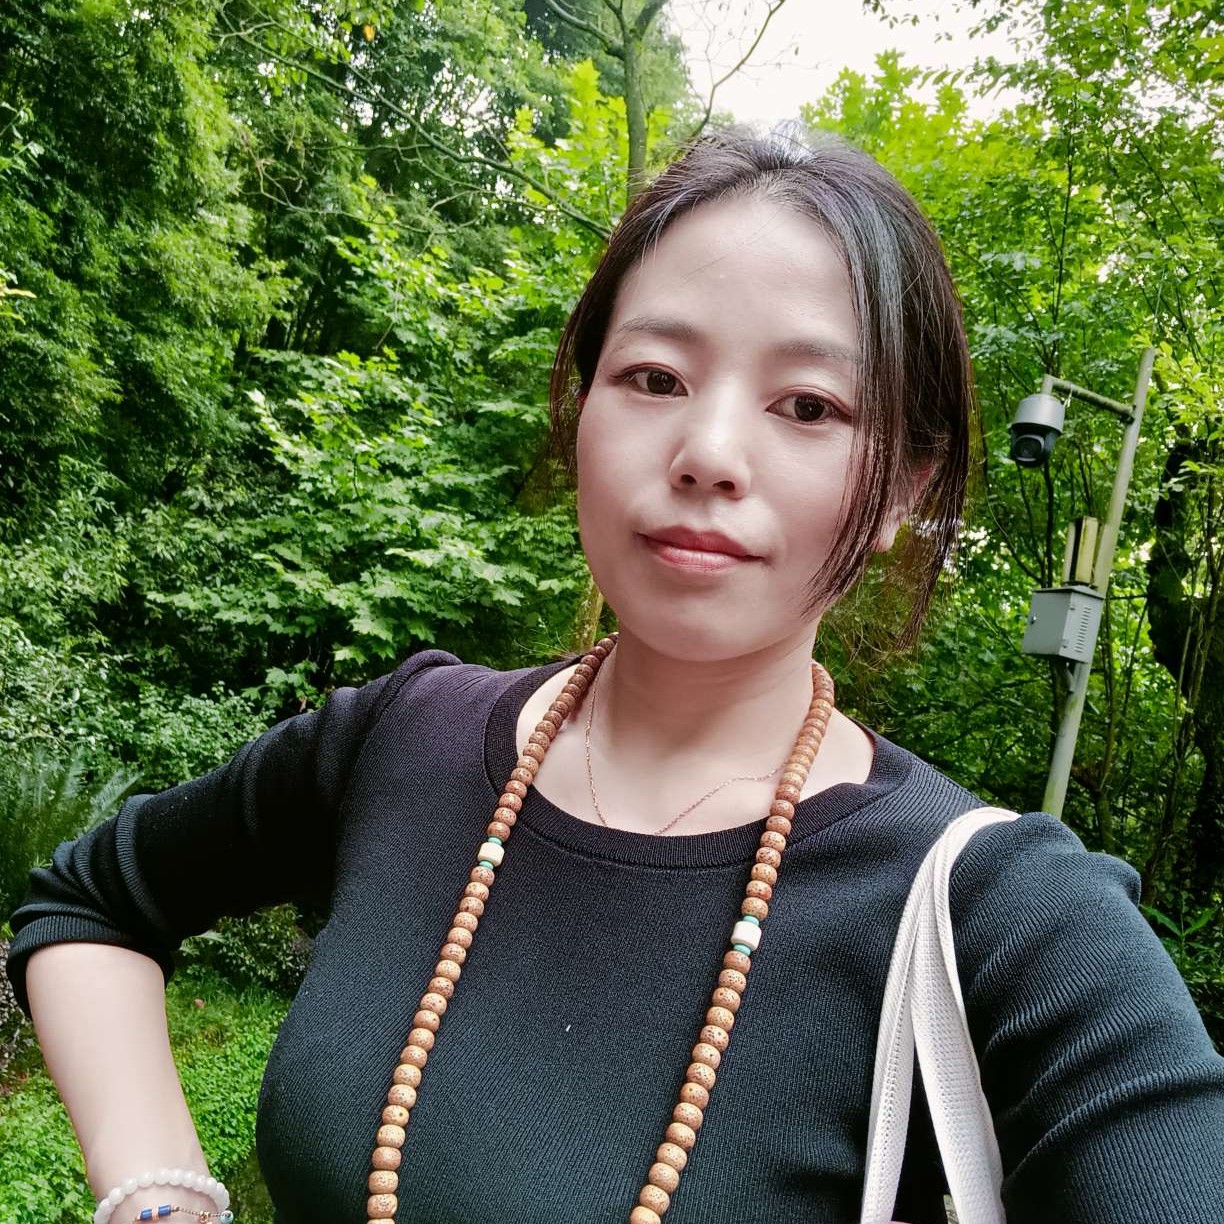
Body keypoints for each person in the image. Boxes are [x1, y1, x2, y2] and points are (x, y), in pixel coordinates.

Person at [6, 128, 1223, 1224]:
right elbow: (90, 903)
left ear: (905, 487)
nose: (708, 452)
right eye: (655, 378)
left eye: (808, 405)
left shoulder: (1001, 920)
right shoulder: (406, 738)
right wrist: (157, 1193)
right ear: (584, 404)